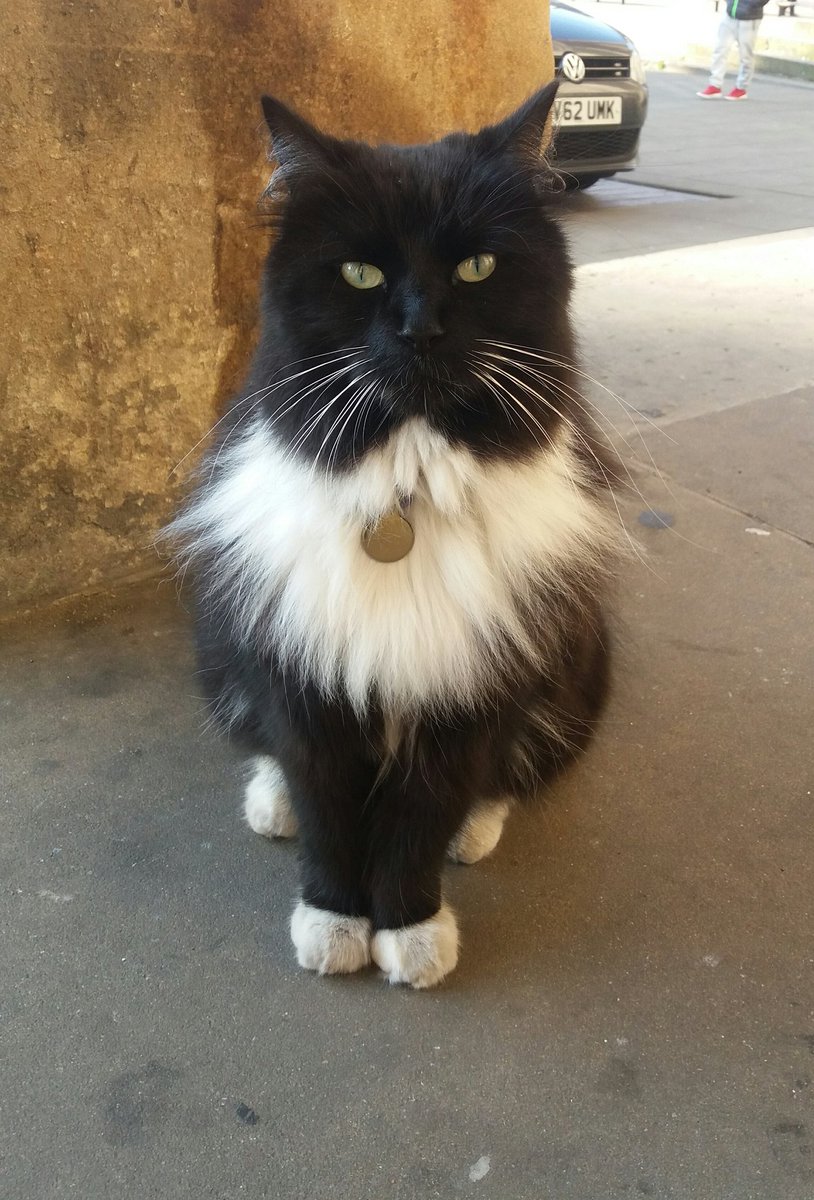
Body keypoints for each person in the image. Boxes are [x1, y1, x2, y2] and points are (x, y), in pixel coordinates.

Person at [697, 0, 770, 101]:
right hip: (730, 14)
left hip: (749, 17)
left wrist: (750, 5)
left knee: (746, 54)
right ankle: (715, 85)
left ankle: (741, 87)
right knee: (720, 48)